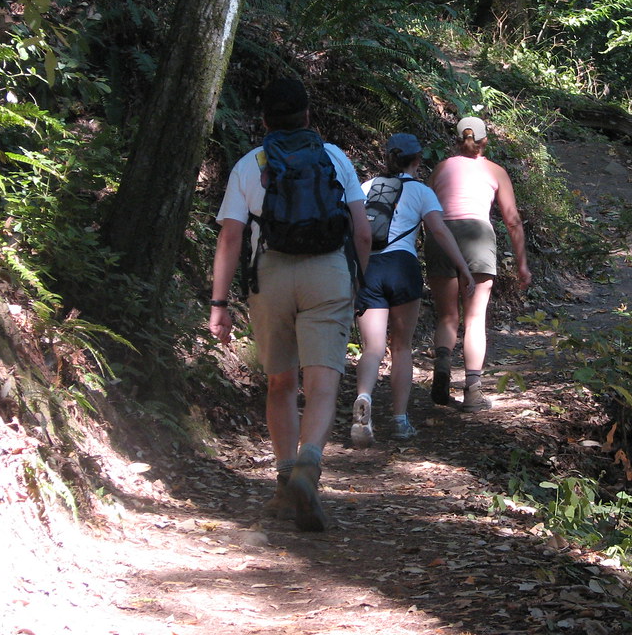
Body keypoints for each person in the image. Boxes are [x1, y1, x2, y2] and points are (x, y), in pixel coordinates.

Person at [209, 77, 371, 532]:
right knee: (322, 384)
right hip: (328, 273)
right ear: (306, 115)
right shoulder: (335, 158)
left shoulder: (249, 164)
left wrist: (219, 303)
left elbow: (230, 237)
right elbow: (361, 231)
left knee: (280, 383)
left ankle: (284, 482)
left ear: (263, 121)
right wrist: (362, 283)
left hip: (271, 274)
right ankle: (309, 466)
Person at [350, 133, 475, 448]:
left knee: (372, 347)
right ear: (417, 160)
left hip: (371, 268)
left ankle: (363, 400)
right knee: (401, 348)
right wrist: (462, 267)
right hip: (403, 267)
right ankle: (400, 420)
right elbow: (439, 231)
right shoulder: (422, 191)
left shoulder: (366, 188)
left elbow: (355, 232)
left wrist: (354, 275)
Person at [424, 116, 532, 411]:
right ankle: (472, 391)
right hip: (478, 237)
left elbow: (424, 206)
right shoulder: (495, 171)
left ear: (457, 139)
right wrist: (522, 264)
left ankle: (443, 367)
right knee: (474, 319)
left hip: (441, 236)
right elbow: (512, 220)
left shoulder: (441, 168)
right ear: (485, 140)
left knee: (447, 316)